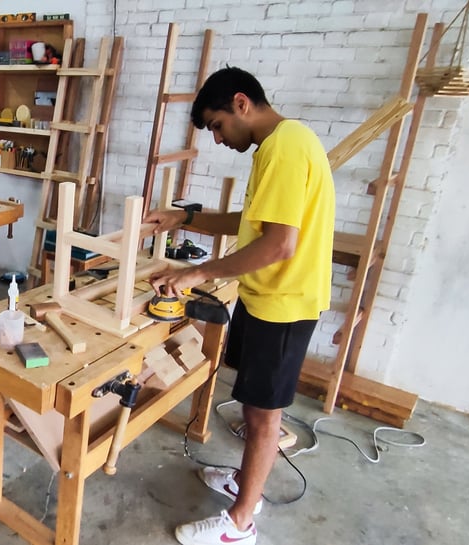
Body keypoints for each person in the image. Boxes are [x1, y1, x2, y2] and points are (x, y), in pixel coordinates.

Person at [143, 67, 335, 545]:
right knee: (253, 407)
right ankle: (243, 484)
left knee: (265, 415)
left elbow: (278, 246)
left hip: (285, 303)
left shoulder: (287, 148)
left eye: (217, 125)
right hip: (266, 295)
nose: (217, 137)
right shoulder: (277, 146)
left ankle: (240, 523)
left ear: (241, 103)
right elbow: (254, 222)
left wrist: (197, 273)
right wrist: (185, 216)